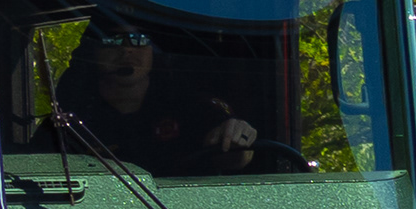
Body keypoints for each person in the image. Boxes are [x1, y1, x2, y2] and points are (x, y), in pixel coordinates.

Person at [50, 26, 260, 176]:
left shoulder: (189, 106)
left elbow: (234, 157)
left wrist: (237, 139)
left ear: (153, 51)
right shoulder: (68, 119)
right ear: (92, 52)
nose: (127, 49)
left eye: (139, 39)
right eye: (111, 40)